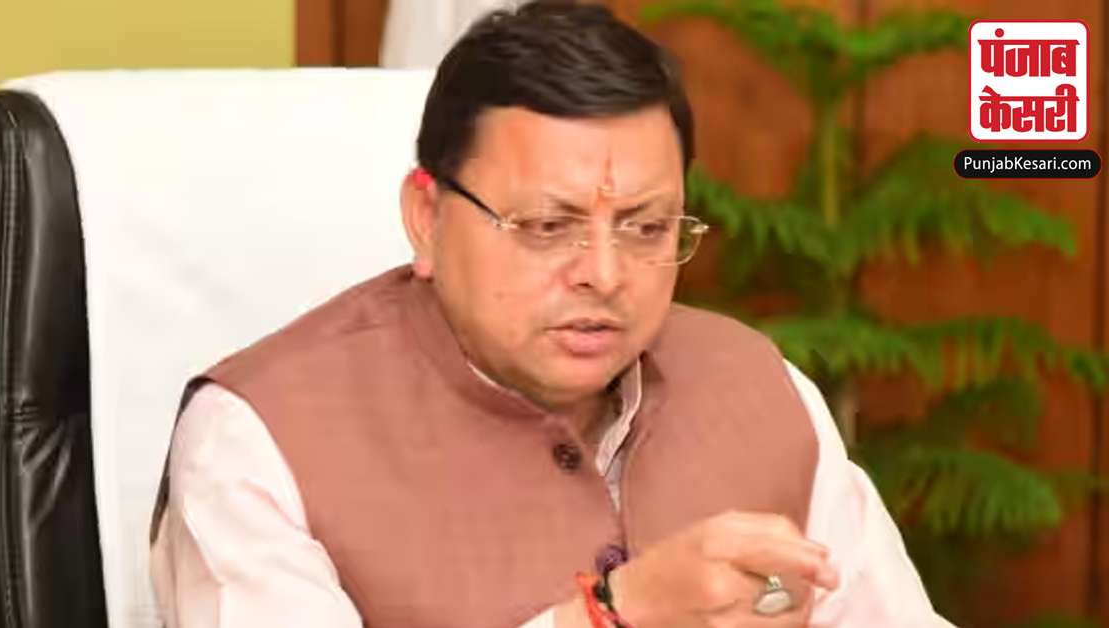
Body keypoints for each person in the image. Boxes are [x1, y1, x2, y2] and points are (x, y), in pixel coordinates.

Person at [149, 2, 953, 626]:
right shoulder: (257, 444)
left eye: (646, 227)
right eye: (545, 226)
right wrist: (611, 614)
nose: (604, 275)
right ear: (427, 218)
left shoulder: (761, 388)